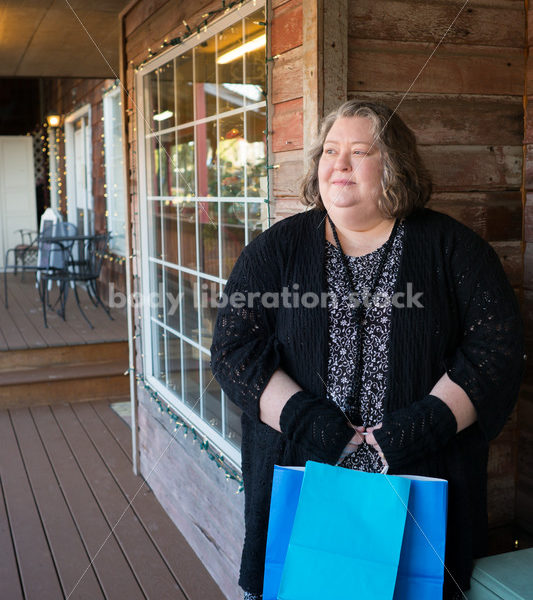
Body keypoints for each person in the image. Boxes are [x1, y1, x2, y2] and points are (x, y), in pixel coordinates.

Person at [210, 100, 525, 600]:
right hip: (301, 478)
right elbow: (233, 350)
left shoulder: (453, 249)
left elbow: (496, 352)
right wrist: (307, 422)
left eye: (360, 151)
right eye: (330, 151)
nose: (339, 163)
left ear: (395, 165)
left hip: (422, 483)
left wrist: (416, 428)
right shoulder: (276, 250)